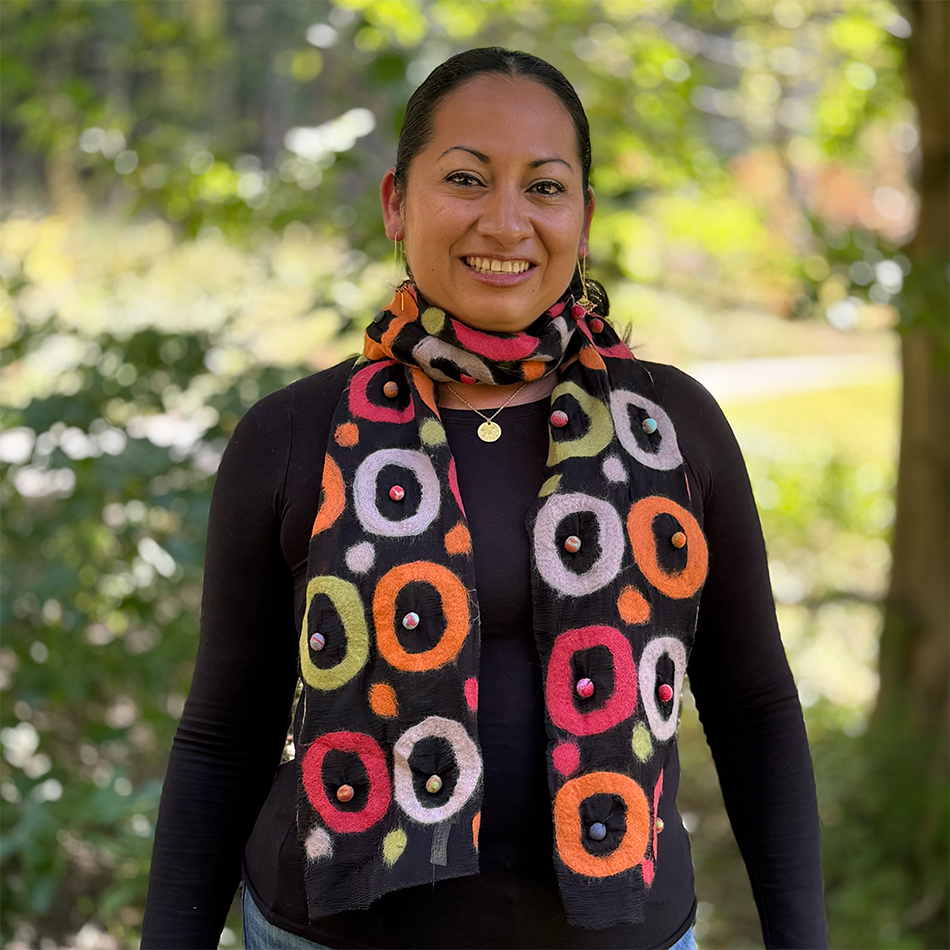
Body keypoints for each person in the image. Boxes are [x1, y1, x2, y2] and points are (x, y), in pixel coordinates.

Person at [142, 48, 828, 950]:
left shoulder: (673, 428)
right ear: (396, 201)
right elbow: (224, 738)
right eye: (466, 178)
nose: (506, 222)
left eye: (545, 188)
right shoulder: (293, 436)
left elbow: (754, 710)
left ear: (583, 217)